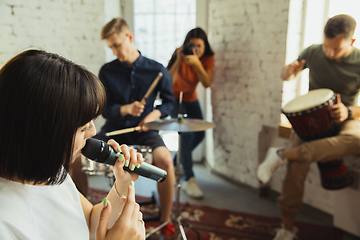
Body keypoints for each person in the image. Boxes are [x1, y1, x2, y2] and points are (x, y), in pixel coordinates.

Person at [0, 49, 145, 240]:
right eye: (84, 127)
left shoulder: (50, 171)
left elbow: (90, 220)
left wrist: (123, 183)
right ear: (46, 134)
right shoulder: (6, 221)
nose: (93, 132)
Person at [257, 14, 360, 240]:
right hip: (311, 120)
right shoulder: (313, 51)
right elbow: (287, 75)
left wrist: (349, 112)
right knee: (295, 170)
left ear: (351, 42)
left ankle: (283, 154)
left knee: (356, 140)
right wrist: (288, 72)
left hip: (346, 118)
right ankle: (286, 228)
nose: (329, 53)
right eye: (326, 46)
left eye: (336, 48)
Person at [93, 18, 176, 237]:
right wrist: (125, 109)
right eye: (110, 47)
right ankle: (83, 209)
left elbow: (169, 103)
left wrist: (153, 115)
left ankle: (165, 220)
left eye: (116, 45)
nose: (114, 51)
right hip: (114, 130)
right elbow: (105, 109)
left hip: (146, 131)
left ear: (129, 37)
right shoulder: (106, 72)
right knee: (76, 155)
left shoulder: (157, 70)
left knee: (166, 161)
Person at [167, 27, 214, 199]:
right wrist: (179, 59)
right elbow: (168, 82)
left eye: (199, 46)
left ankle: (175, 162)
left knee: (199, 134)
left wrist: (196, 63)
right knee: (185, 135)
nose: (195, 50)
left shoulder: (207, 58)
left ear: (205, 46)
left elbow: (207, 82)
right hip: (173, 98)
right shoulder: (180, 53)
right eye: (192, 45)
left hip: (191, 98)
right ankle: (189, 178)